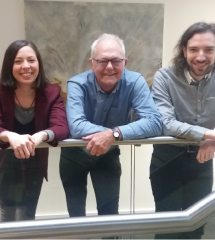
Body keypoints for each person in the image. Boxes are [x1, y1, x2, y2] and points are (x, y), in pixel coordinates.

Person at [150, 22, 215, 240]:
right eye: (194, 49)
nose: (201, 56)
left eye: (209, 49)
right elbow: (167, 123)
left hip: (202, 161)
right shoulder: (164, 77)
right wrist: (212, 135)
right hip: (166, 160)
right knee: (168, 227)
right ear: (184, 50)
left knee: (197, 226)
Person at [60, 33, 162, 218]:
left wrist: (114, 134)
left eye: (116, 61)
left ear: (125, 62)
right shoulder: (77, 84)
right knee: (75, 217)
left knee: (110, 215)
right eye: (102, 61)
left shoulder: (135, 82)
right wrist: (115, 133)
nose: (109, 67)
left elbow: (154, 122)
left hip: (108, 154)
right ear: (91, 63)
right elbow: (76, 126)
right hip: (73, 155)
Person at [0, 40, 69, 221]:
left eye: (31, 60)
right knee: (8, 211)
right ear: (9, 65)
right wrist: (10, 135)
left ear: (38, 63)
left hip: (34, 158)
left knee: (27, 212)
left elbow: (61, 127)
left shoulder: (52, 92)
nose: (26, 66)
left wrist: (41, 136)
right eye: (18, 61)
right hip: (3, 158)